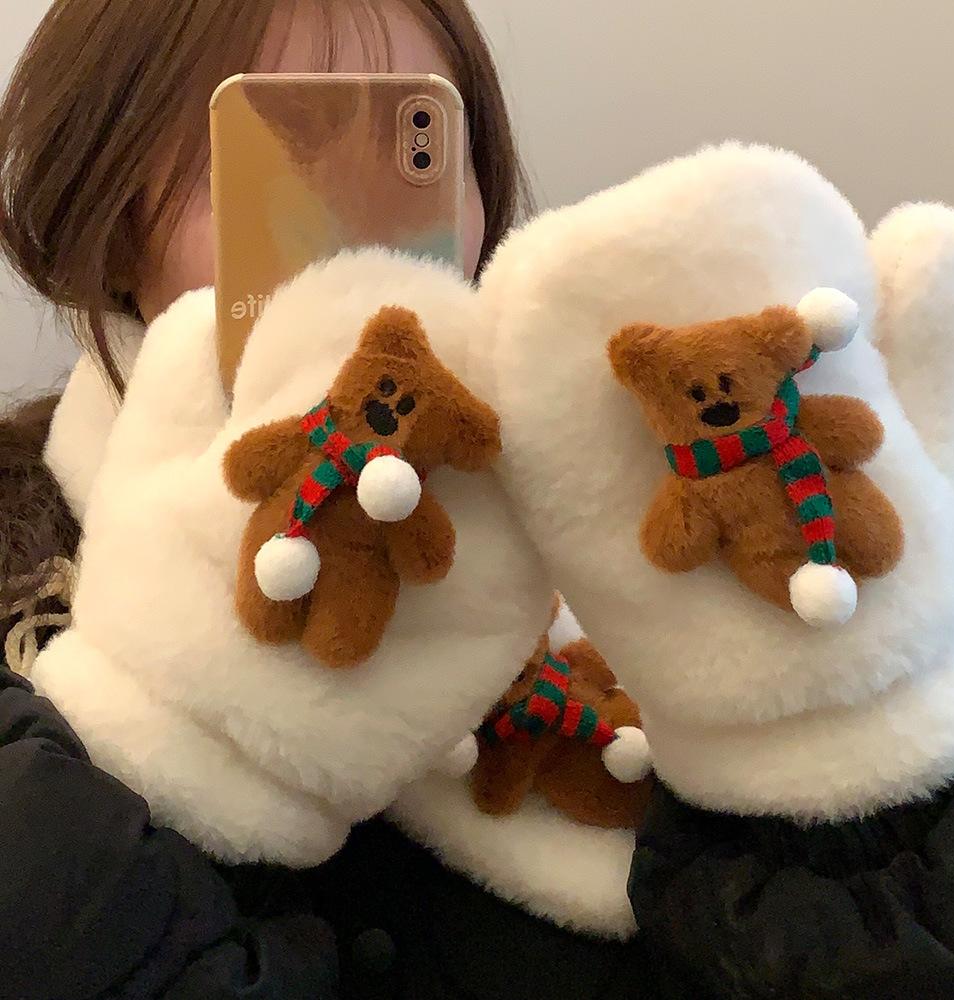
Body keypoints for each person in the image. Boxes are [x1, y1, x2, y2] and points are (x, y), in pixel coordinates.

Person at [0, 2, 691, 998]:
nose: (350, 238)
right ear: (112, 226)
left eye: (412, 151)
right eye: (273, 156)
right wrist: (184, 724)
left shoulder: (624, 549)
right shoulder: (20, 593)